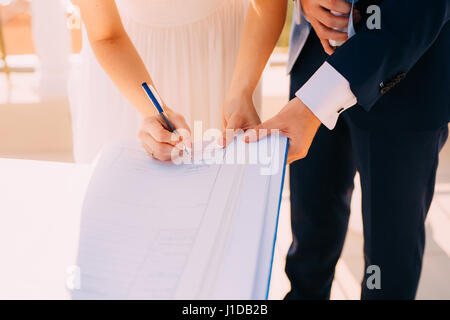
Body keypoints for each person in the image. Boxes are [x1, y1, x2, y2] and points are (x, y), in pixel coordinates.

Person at [225, 0, 450, 299]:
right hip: (313, 57)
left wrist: (312, 107)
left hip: (409, 77)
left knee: (390, 260)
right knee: (309, 237)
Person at [70, 0, 261, 163]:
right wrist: (156, 113)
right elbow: (105, 34)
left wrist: (241, 91)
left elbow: (267, 5)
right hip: (126, 66)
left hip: (228, 57)